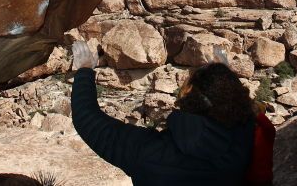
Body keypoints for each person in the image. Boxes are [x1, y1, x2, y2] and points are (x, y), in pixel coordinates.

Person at [70, 41, 255, 185]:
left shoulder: (150, 152)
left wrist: (85, 70)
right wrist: (222, 75)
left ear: (187, 98)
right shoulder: (243, 138)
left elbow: (87, 118)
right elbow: (242, 106)